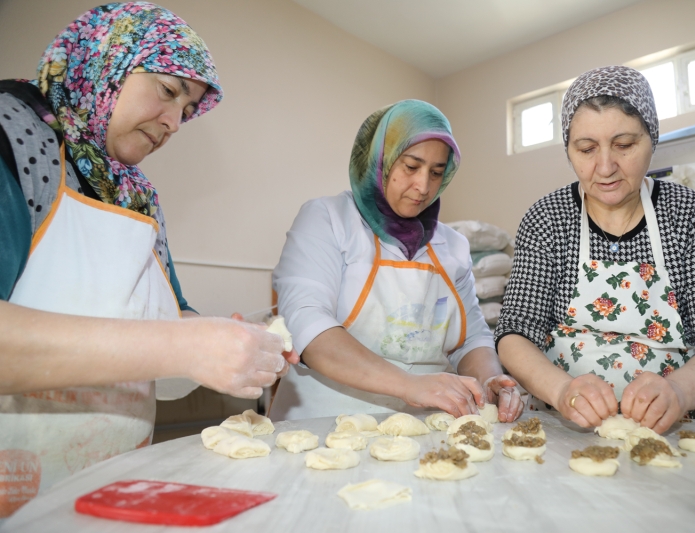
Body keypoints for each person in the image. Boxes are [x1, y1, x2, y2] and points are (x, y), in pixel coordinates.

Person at [0, 3, 296, 518]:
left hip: (114, 488)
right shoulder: (14, 135)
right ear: (107, 58)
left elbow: (168, 320)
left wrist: (231, 340)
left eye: (187, 108)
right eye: (168, 90)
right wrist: (184, 346)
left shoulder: (136, 196)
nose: (175, 123)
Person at [496, 66, 695, 434]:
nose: (604, 167)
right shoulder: (547, 219)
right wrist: (562, 389)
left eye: (624, 145)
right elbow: (516, 331)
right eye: (585, 149)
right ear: (568, 149)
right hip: (561, 429)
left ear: (653, 139)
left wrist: (678, 390)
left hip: (672, 430)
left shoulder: (689, 215)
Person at [271, 100, 523, 422]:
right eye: (411, 166)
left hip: (426, 425)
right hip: (326, 420)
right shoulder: (328, 219)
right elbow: (308, 325)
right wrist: (410, 385)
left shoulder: (452, 246)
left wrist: (489, 380)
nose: (423, 186)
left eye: (436, 172)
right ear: (381, 160)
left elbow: (471, 338)